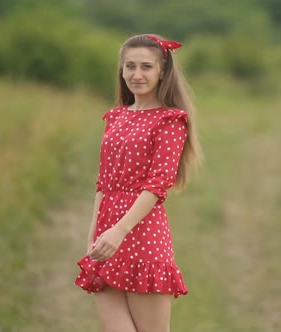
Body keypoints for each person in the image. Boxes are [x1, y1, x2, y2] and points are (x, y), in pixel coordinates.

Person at [74, 34, 202, 332]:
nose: (136, 74)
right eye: (129, 66)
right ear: (121, 70)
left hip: (142, 233)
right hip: (108, 230)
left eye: (146, 66)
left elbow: (158, 186)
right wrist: (94, 230)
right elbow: (103, 181)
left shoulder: (170, 120)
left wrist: (119, 231)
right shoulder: (116, 116)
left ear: (162, 71)